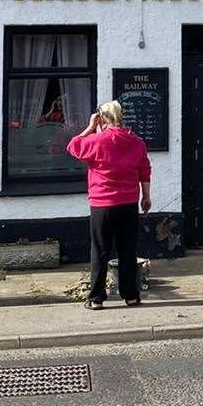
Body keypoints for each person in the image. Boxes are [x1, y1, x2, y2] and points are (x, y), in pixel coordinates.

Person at [66, 100, 152, 310]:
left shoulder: (97, 140)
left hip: (102, 204)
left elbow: (72, 146)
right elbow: (144, 171)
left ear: (102, 118)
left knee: (100, 251)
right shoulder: (136, 142)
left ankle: (96, 298)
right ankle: (131, 295)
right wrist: (146, 197)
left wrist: (89, 128)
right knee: (128, 250)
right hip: (128, 203)